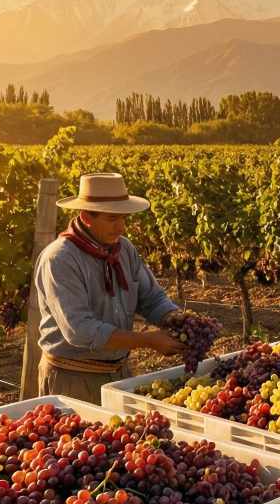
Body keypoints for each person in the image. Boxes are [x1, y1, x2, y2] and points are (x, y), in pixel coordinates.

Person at [34, 173, 186, 403]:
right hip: (72, 379)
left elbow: (151, 298)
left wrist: (175, 318)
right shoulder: (60, 259)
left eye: (123, 218)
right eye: (112, 219)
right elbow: (80, 330)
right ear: (86, 217)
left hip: (118, 373)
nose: (121, 227)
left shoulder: (123, 249)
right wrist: (148, 340)